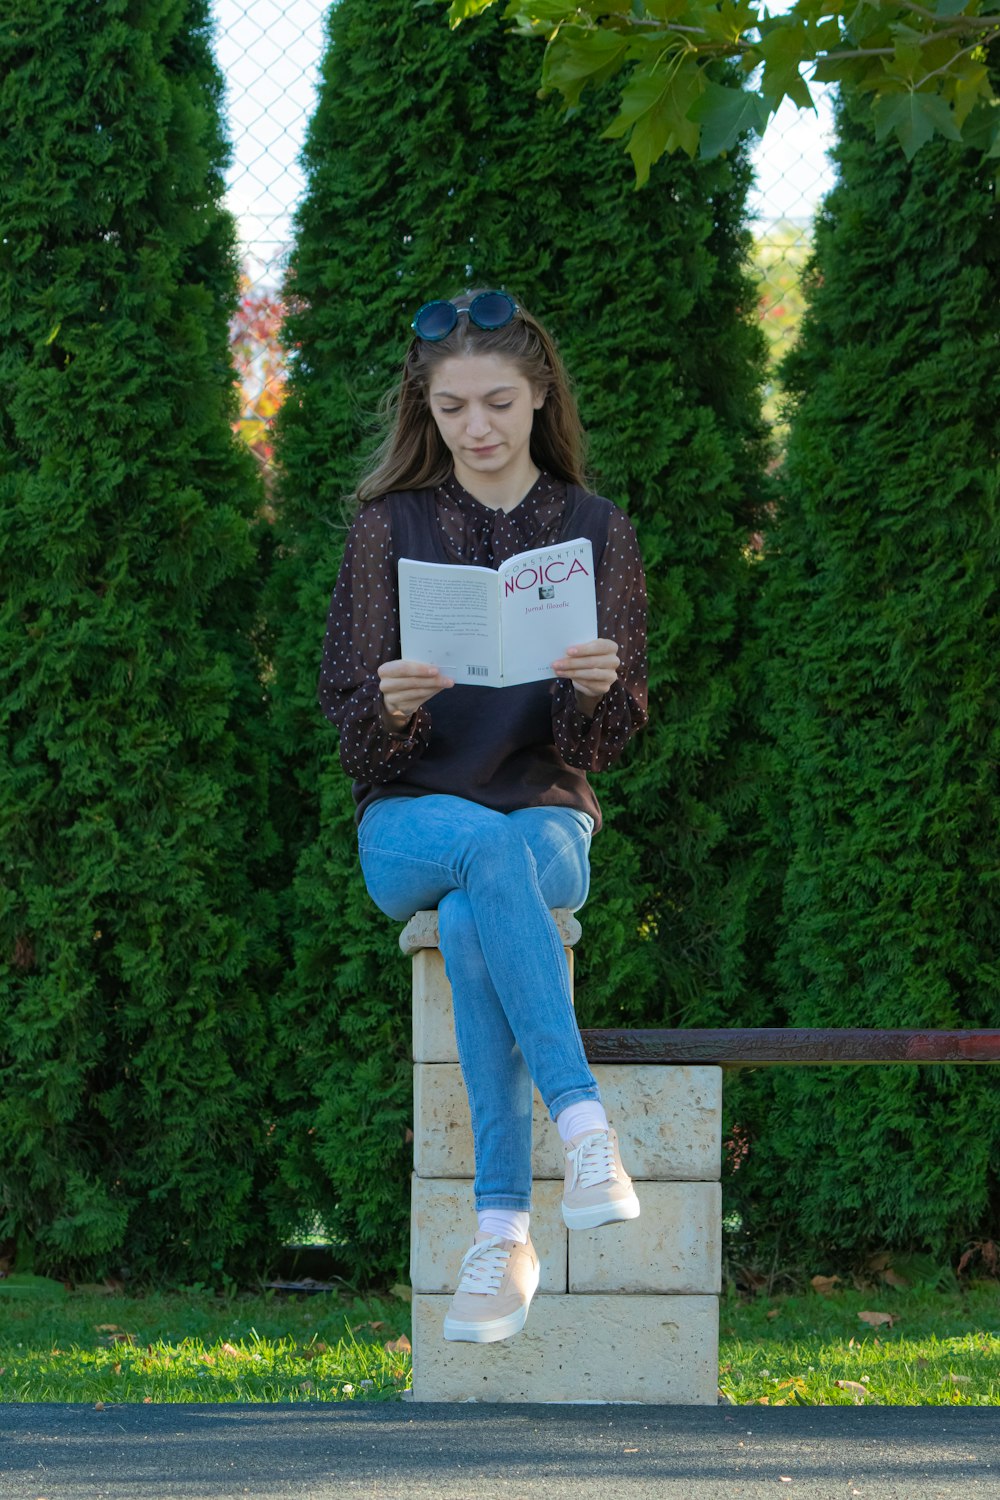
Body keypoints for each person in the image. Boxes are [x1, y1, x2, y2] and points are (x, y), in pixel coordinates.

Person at [318, 289, 649, 1345]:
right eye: (452, 406)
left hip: (546, 816)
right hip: (414, 817)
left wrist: (596, 689)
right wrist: (391, 705)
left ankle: (501, 1231)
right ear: (427, 405)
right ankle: (582, 1119)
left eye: (498, 402)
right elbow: (350, 726)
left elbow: (603, 742)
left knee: (482, 902)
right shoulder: (389, 528)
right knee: (477, 855)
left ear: (539, 395)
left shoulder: (596, 531)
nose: (477, 427)